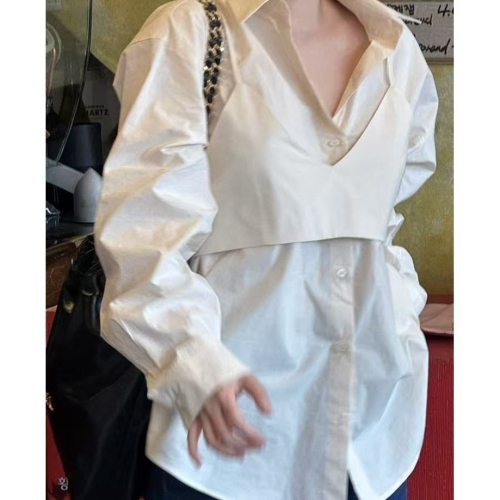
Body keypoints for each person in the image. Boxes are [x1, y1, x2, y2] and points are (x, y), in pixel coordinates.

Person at [93, 0, 439, 498]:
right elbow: (142, 239)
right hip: (228, 447)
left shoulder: (398, 50)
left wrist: (400, 323)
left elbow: (382, 230)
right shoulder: (188, 35)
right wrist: (192, 362)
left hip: (369, 447)